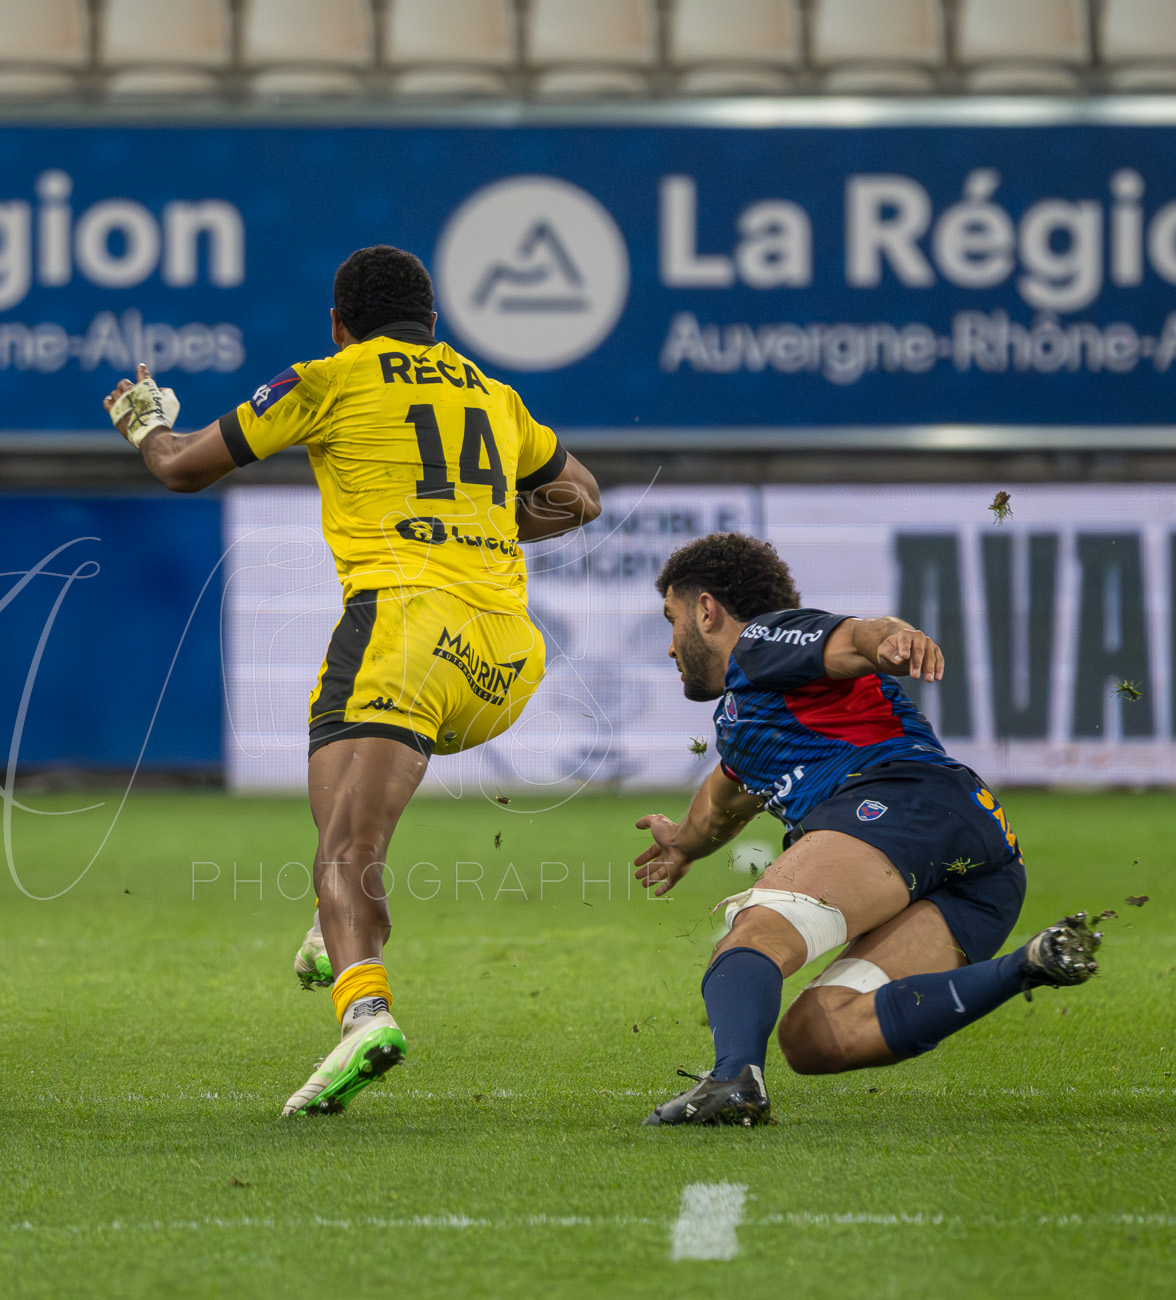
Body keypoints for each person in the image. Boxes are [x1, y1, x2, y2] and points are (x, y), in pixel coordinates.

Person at [103, 245, 603, 1117]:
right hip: (507, 660)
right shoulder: (494, 394)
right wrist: (487, 522)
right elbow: (583, 497)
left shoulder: (326, 378)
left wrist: (144, 421)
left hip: (405, 630)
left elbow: (182, 466)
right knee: (345, 826)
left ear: (339, 325)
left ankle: (364, 1011)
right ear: (434, 324)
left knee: (345, 847)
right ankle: (338, 929)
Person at [632, 532, 1110, 1127]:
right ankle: (1031, 963)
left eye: (672, 619)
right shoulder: (749, 715)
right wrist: (682, 844)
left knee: (755, 933)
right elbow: (720, 804)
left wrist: (893, 637)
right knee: (817, 1036)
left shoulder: (762, 640)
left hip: (897, 801)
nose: (670, 646)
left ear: (707, 610)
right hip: (985, 865)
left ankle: (732, 1079)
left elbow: (854, 636)